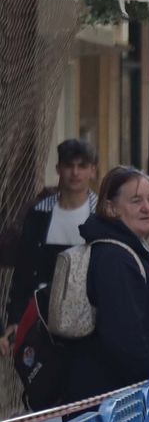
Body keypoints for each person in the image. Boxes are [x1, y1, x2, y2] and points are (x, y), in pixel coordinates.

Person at [62, 167, 149, 404]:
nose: (147, 208)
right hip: (118, 408)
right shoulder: (114, 258)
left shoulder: (131, 250)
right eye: (136, 201)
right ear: (110, 208)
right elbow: (123, 337)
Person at [5, 139, 99, 344]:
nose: (75, 173)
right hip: (40, 317)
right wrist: (15, 318)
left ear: (92, 171)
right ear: (58, 169)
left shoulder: (100, 215)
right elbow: (24, 269)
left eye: (82, 166)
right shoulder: (38, 213)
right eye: (69, 165)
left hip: (87, 320)